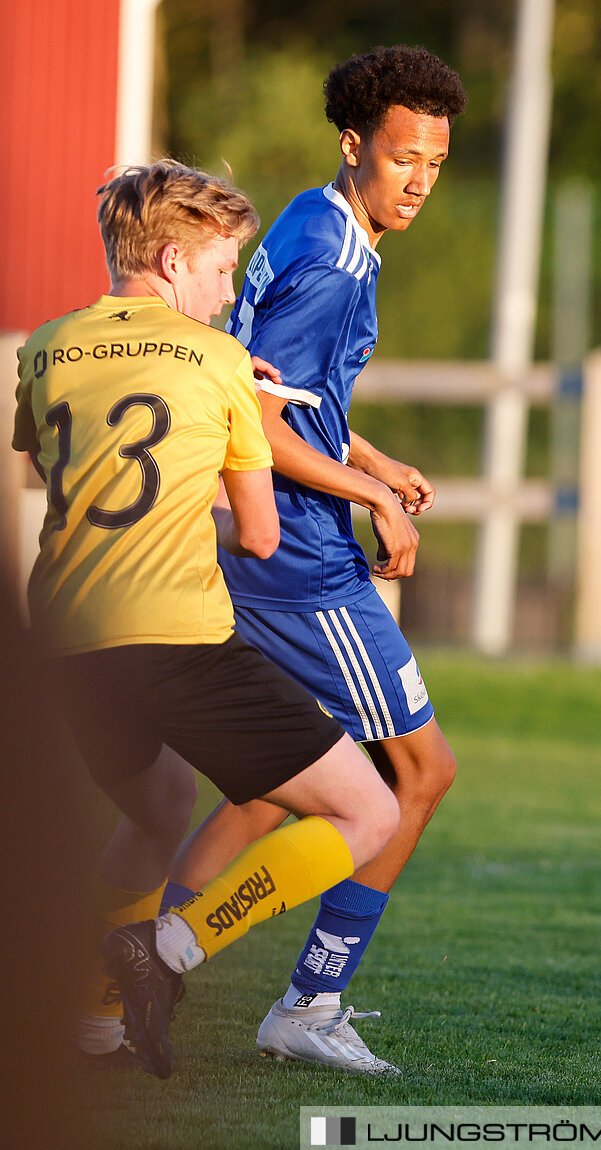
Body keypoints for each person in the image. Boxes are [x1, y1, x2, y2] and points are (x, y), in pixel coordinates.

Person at [14, 160, 400, 1080]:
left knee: (157, 809)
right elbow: (260, 537)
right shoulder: (222, 361)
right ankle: (174, 947)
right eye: (225, 269)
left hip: (65, 644)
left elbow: (43, 475)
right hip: (176, 639)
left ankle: (95, 1023)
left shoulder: (48, 343)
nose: (233, 290)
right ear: (175, 259)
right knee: (368, 809)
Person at [157, 45, 466, 1076]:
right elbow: (252, 412)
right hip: (304, 563)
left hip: (265, 549)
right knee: (421, 772)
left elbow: (294, 395)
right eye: (401, 157)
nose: (419, 179)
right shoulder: (337, 262)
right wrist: (373, 496)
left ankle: (122, 986)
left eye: (435, 160)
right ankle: (310, 999)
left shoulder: (312, 217)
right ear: (354, 146)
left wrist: (373, 454)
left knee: (264, 790)